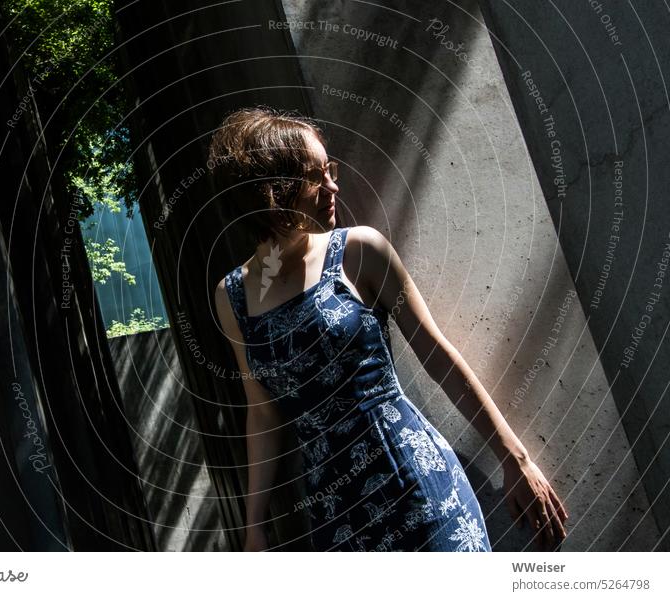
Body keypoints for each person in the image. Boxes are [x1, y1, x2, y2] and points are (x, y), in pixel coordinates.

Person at [211, 106, 568, 552]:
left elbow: (435, 352)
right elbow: (262, 412)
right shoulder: (233, 298)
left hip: (413, 482)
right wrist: (253, 527)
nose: (332, 186)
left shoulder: (359, 251)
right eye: (315, 176)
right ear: (274, 191)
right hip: (337, 516)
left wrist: (515, 458)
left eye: (330, 170)